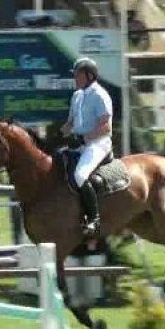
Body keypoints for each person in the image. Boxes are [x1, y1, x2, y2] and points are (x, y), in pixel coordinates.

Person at [60, 57, 113, 238]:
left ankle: (94, 219)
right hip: (79, 143)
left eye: (78, 75)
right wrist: (57, 137)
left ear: (89, 75)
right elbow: (70, 123)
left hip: (98, 143)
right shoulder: (77, 96)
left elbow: (106, 127)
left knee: (80, 175)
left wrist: (83, 139)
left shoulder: (100, 95)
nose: (75, 78)